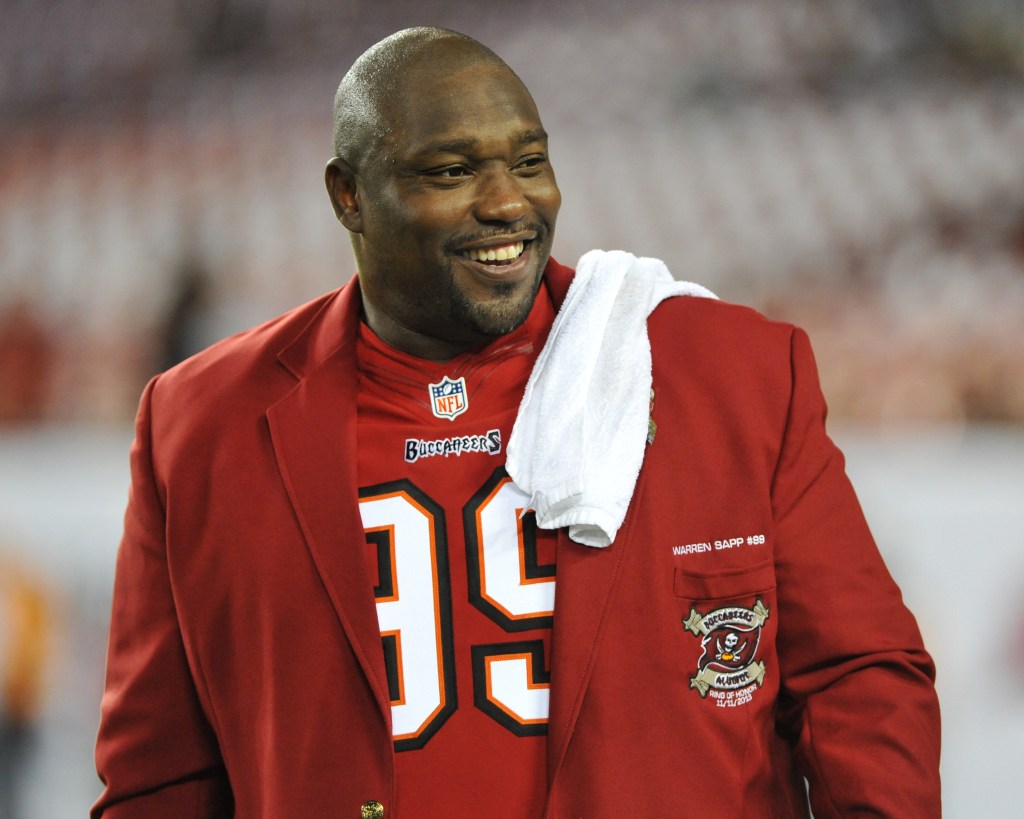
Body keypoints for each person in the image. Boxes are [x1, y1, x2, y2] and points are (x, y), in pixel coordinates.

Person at [93, 27, 941, 818]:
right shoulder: (199, 423)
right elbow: (159, 774)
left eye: (529, 161)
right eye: (451, 171)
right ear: (348, 196)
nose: (508, 203)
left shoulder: (723, 373)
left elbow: (861, 677)